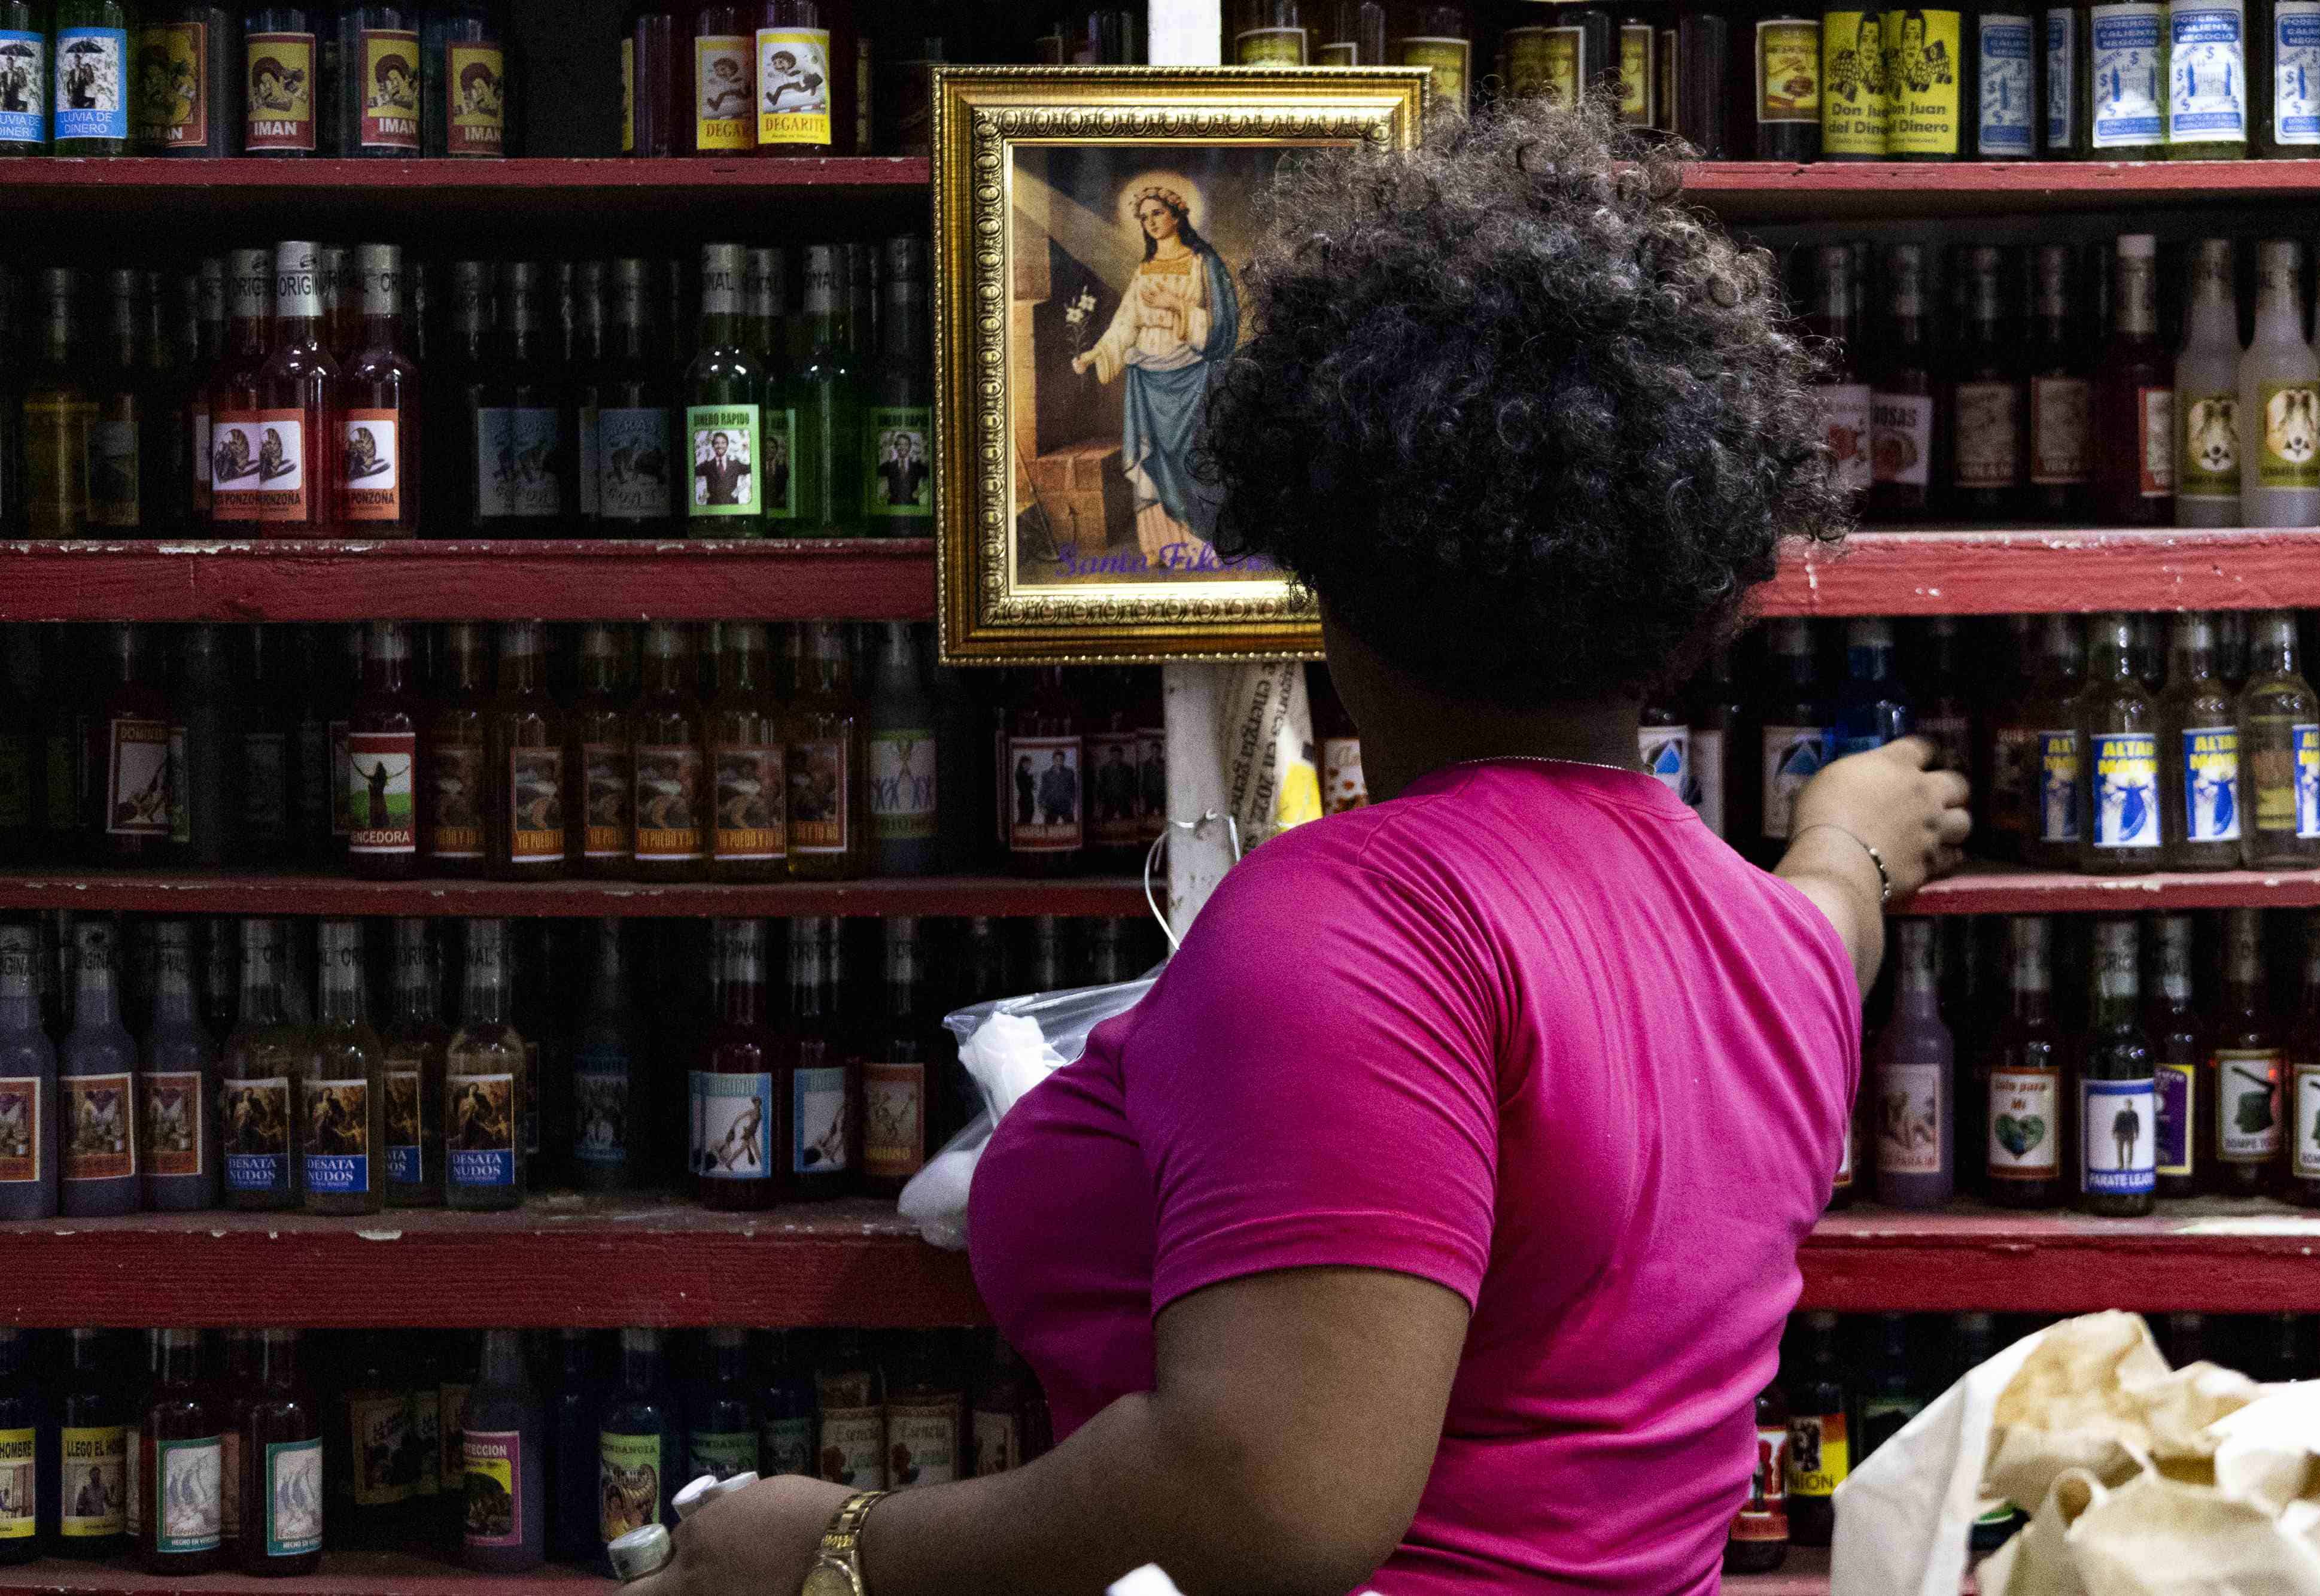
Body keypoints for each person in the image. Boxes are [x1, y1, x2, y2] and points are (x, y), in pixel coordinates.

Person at [631, 96, 1967, 1596]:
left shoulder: (1348, 923)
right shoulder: (1766, 939)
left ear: (1321, 556)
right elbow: (1835, 901)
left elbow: (1270, 1501)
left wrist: (831, 1551)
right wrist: (1851, 820)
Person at [1071, 183, 1239, 567]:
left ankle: (1201, 544)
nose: (1150, 223)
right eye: (1144, 218)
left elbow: (1222, 324)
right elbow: (1125, 324)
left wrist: (1176, 305)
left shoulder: (1203, 263)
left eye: (1157, 214)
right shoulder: (1144, 269)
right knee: (1156, 458)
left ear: (1178, 215)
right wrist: (1096, 352)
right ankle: (1162, 546)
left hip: (1192, 373)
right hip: (1147, 374)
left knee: (1193, 453)